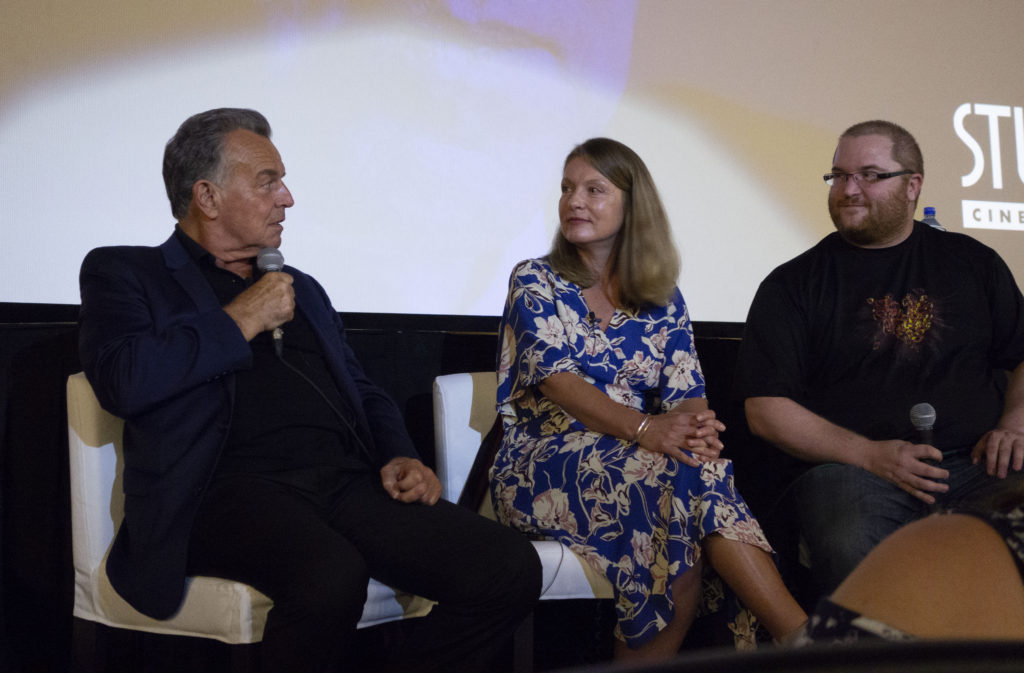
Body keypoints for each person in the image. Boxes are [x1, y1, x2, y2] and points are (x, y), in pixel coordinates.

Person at [77, 108, 541, 673]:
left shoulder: (304, 290)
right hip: (219, 494)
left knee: (507, 565)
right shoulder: (127, 273)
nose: (287, 198)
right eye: (267, 181)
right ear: (207, 196)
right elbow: (123, 380)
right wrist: (239, 318)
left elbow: (364, 391)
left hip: (341, 486)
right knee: (329, 573)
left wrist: (400, 454)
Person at [489, 137, 806, 662]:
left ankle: (800, 638)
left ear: (632, 206)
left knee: (692, 481)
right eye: (568, 188)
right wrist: (646, 429)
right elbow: (559, 382)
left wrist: (697, 430)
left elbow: (687, 396)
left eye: (594, 189)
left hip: (639, 462)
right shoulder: (536, 279)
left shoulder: (663, 297)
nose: (574, 201)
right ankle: (802, 635)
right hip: (541, 464)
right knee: (679, 485)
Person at [735, 120, 1024, 600]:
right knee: (849, 531)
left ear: (913, 186)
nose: (849, 189)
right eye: (839, 176)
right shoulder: (792, 285)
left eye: (870, 174)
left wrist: (1015, 424)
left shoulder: (975, 262)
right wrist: (871, 455)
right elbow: (765, 409)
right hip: (855, 473)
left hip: (978, 465)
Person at [798, 489, 1024, 643]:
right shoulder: (943, 550)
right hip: (859, 457)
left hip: (978, 456)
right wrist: (865, 452)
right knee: (847, 537)